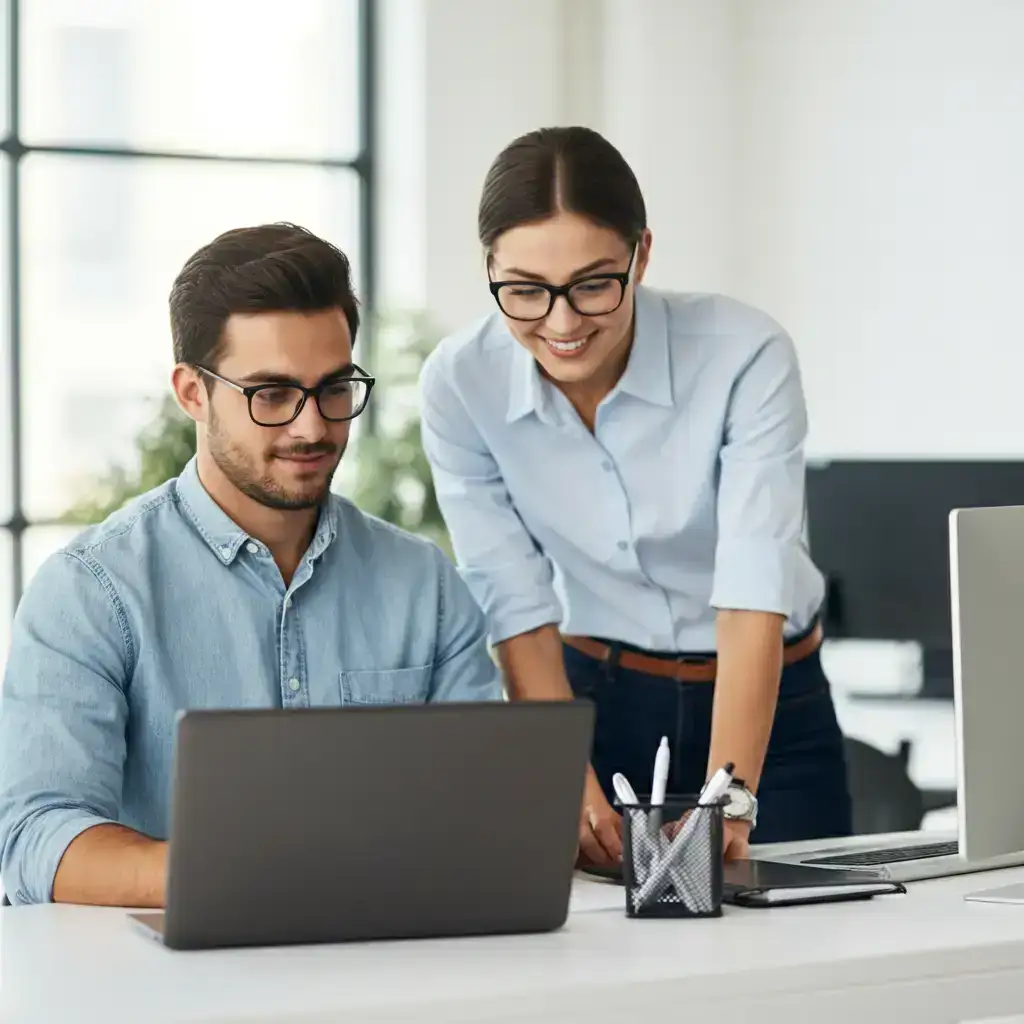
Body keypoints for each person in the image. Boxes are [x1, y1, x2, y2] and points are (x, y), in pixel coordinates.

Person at [0, 223, 502, 907]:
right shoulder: (91, 592)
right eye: (270, 394)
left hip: (387, 969)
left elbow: (481, 811)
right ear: (192, 393)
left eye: (334, 388)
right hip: (168, 992)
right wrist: (245, 877)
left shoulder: (425, 585)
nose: (312, 427)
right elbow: (35, 839)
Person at [418, 126, 853, 868]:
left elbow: (753, 584)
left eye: (593, 284)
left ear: (641, 254)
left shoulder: (743, 352)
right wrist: (562, 773)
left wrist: (730, 793)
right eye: (524, 291)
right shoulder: (461, 383)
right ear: (488, 267)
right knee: (602, 963)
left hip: (770, 700)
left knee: (809, 953)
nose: (560, 324)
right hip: (597, 702)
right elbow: (512, 599)